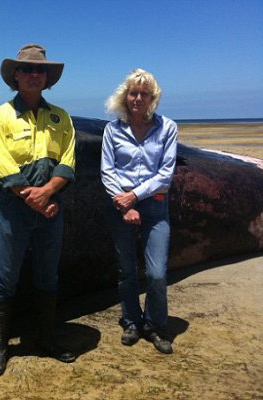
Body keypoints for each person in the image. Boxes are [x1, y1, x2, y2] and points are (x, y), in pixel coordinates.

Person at [0, 43, 77, 376]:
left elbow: (67, 159)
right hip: (15, 208)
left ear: (47, 77)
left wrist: (49, 192)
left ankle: (46, 339)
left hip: (52, 207)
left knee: (48, 274)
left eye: (40, 70)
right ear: (16, 75)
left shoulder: (61, 118)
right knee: (4, 277)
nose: (34, 75)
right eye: (27, 70)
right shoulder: (0, 116)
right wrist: (31, 197)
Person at [101, 68, 178, 354]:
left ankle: (155, 325)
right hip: (119, 205)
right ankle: (132, 321)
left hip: (154, 205)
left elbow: (165, 174)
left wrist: (133, 196)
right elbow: (107, 172)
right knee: (127, 270)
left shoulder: (167, 128)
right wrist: (124, 204)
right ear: (125, 96)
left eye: (144, 94)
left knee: (157, 273)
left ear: (152, 98)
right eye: (133, 93)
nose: (138, 98)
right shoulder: (113, 130)